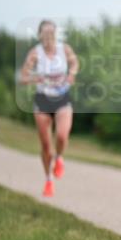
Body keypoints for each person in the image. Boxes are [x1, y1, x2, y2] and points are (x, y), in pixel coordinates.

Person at [18, 20, 78, 197]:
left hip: (62, 99)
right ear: (40, 35)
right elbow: (22, 77)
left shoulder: (64, 49)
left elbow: (75, 63)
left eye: (51, 33)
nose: (48, 36)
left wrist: (72, 74)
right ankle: (48, 180)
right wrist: (32, 78)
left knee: (61, 135)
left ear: (55, 34)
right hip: (43, 100)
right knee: (45, 145)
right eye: (45, 33)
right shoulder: (35, 53)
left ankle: (59, 158)